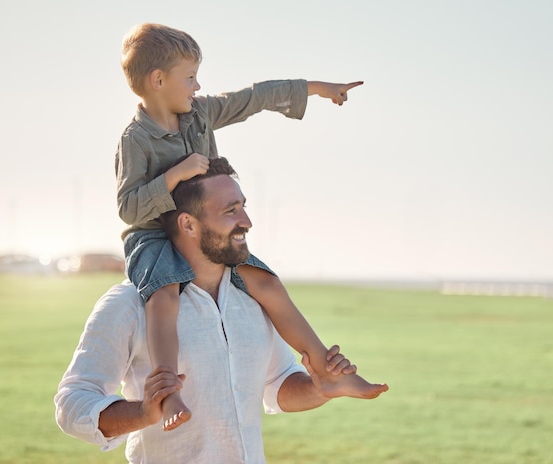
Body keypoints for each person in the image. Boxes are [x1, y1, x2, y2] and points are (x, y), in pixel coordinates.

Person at [116, 23, 374, 431]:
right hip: (153, 236)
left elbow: (254, 97)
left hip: (207, 232)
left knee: (266, 282)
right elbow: (129, 208)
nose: (198, 86)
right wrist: (175, 175)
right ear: (158, 80)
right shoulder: (135, 139)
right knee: (164, 295)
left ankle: (327, 371)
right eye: (190, 77)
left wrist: (317, 87)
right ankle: (166, 394)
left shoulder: (200, 113)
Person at [55, 157, 389, 463]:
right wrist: (144, 412)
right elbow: (72, 403)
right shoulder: (128, 304)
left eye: (243, 207)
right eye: (231, 211)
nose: (247, 222)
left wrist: (319, 388)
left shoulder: (254, 300)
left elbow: (279, 383)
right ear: (188, 224)